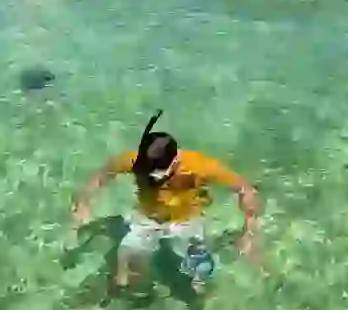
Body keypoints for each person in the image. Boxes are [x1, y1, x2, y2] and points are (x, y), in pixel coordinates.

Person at [71, 109, 261, 292]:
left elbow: (245, 189)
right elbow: (103, 175)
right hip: (147, 219)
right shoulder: (133, 161)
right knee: (125, 276)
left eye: (159, 175)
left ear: (175, 160)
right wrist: (83, 203)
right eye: (147, 172)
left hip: (187, 221)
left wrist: (249, 233)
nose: (152, 178)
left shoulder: (200, 166)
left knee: (199, 282)